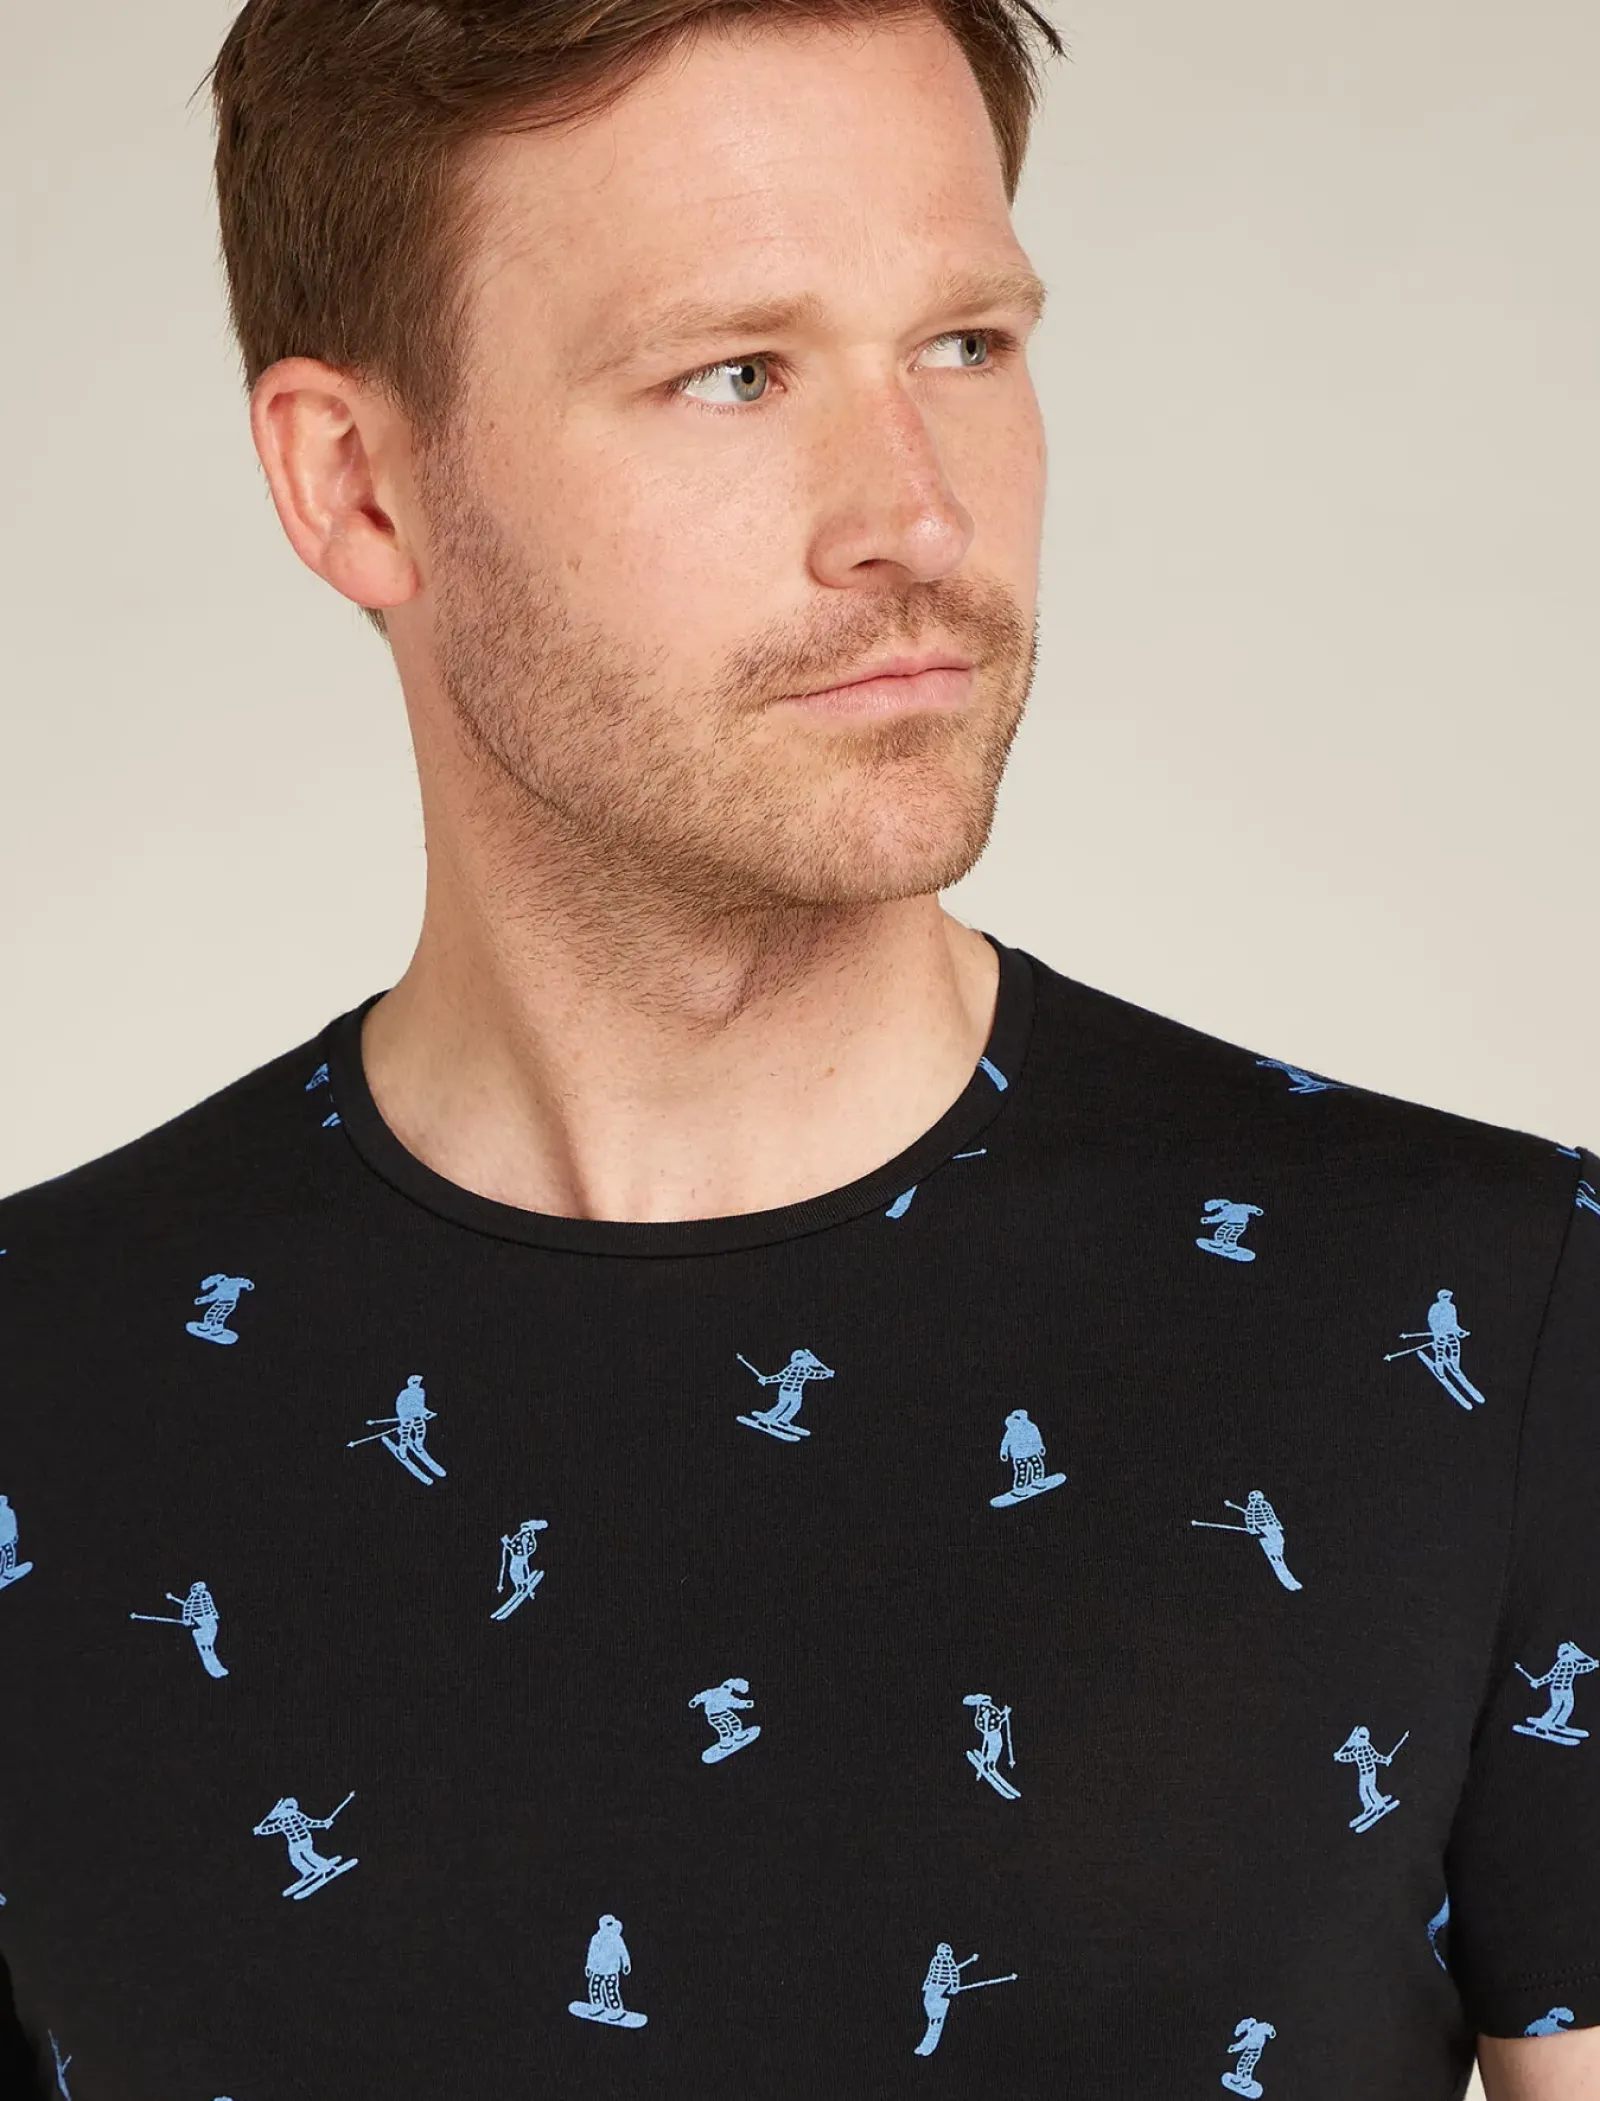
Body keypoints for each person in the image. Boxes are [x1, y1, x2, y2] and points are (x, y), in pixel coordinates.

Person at [0, 3, 1593, 2098]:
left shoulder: (1494, 1322)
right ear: (357, 483)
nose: (914, 517)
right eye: (734, 372)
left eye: (964, 344)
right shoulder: (39, 1384)